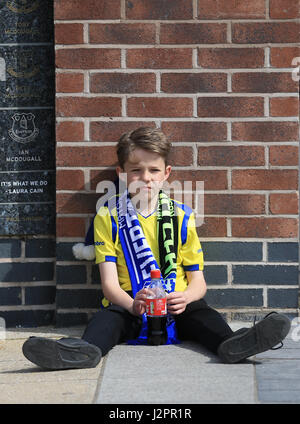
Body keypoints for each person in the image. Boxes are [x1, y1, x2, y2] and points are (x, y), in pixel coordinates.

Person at [22, 127, 291, 370]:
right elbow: (109, 285)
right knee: (106, 321)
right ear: (121, 174)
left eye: (153, 170)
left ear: (166, 174)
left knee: (203, 314)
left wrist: (185, 298)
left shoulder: (182, 216)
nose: (145, 178)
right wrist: (132, 304)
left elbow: (198, 283)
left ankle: (233, 344)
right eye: (136, 170)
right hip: (129, 304)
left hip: (176, 305)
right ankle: (84, 352)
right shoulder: (109, 216)